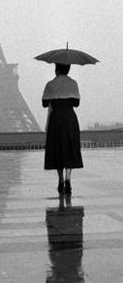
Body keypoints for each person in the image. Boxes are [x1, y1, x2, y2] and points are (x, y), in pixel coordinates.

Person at [42, 63, 83, 194]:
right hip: (70, 118)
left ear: (57, 69)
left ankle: (60, 179)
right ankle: (68, 178)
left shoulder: (50, 84)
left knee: (57, 148)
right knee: (70, 147)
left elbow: (44, 103)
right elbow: (76, 103)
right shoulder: (73, 83)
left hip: (56, 119)